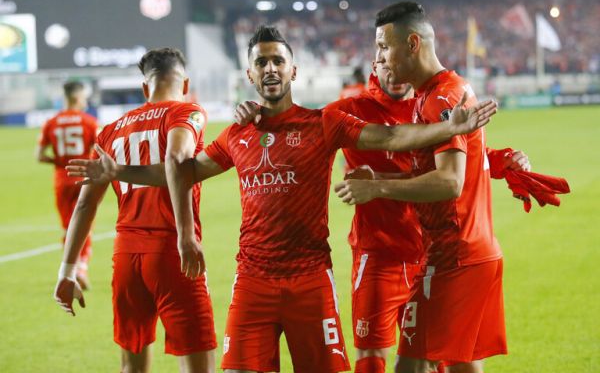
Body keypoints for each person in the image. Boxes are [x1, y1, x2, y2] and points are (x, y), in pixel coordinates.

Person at [67, 26, 497, 373]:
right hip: (253, 281)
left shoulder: (323, 123)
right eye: (261, 62)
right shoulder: (238, 133)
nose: (270, 68)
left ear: (293, 72)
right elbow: (182, 170)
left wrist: (448, 129)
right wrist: (119, 172)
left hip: (311, 280)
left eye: (278, 60)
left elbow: (391, 135)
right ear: (250, 76)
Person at [334, 1, 510, 373]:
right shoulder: (431, 96)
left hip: (455, 256)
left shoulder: (443, 98)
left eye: (384, 46)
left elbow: (449, 182)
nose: (379, 56)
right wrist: (380, 179)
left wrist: (379, 191)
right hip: (463, 252)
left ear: (412, 43)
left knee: (411, 366)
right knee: (460, 365)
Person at [53, 48, 216, 373]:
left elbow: (85, 202)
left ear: (145, 88)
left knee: (132, 365)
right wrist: (186, 236)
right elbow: (176, 160)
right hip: (172, 252)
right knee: (198, 363)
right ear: (184, 83)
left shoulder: (112, 129)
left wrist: (67, 271)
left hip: (126, 256)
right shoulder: (187, 112)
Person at [37, 81, 98, 289]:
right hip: (84, 178)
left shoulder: (51, 122)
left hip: (62, 180)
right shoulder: (89, 122)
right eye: (84, 97)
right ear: (77, 97)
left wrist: (61, 162)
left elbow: (40, 156)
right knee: (85, 225)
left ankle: (69, 271)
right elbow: (99, 151)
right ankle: (81, 267)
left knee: (67, 227)